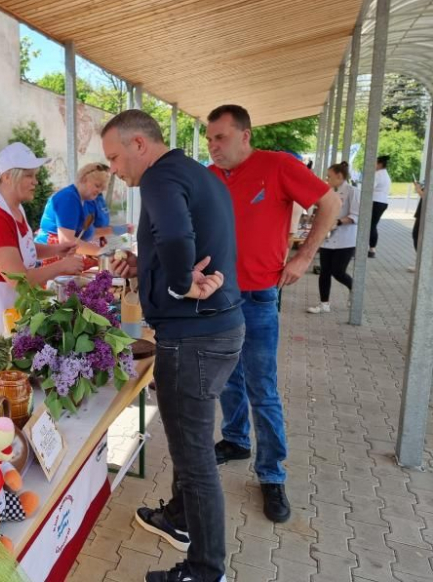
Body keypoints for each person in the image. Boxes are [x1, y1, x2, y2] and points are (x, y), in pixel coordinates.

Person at [104, 109, 245, 582]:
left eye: (115, 157)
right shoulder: (193, 172)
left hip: (193, 339)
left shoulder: (159, 178)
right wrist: (144, 266)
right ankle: (179, 519)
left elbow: (179, 237)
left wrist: (181, 282)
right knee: (193, 440)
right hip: (220, 329)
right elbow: (180, 237)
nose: (115, 170)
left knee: (194, 458)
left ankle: (205, 572)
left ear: (139, 145)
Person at [205, 104, 340, 523]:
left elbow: (330, 204)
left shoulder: (278, 165)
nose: (213, 147)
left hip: (260, 295)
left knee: (262, 388)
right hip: (216, 296)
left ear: (245, 135)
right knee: (227, 378)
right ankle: (235, 439)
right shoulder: (209, 178)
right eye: (209, 139)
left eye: (220, 138)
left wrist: (304, 255)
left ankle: (271, 474)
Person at [0, 142, 83, 342]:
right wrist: (62, 265)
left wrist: (57, 250)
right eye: (29, 175)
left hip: (3, 303)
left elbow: (22, 248)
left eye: (35, 175)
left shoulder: (14, 208)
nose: (35, 182)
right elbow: (19, 281)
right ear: (6, 177)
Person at [307, 162, 360, 313]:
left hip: (346, 239)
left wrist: (337, 222)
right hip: (327, 237)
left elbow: (355, 215)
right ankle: (324, 303)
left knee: (338, 271)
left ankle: (354, 289)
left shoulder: (353, 191)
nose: (327, 179)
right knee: (324, 271)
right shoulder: (328, 191)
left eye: (329, 176)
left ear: (339, 176)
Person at [35, 162, 110, 257]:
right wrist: (103, 252)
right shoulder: (68, 198)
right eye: (97, 185)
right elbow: (67, 241)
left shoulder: (85, 201)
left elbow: (89, 233)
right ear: (83, 179)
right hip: (49, 257)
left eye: (102, 188)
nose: (99, 191)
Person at [368, 155, 392, 258]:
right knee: (373, 225)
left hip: (375, 201)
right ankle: (372, 248)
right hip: (383, 202)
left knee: (370, 225)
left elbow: (369, 187)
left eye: (375, 162)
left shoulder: (377, 174)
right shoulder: (386, 174)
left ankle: (371, 248)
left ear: (380, 164)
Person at [408, 181, 424, 272]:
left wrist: (419, 190)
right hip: (422, 211)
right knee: (417, 236)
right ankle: (421, 263)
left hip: (426, 213)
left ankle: (421, 264)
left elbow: (428, 196)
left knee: (417, 236)